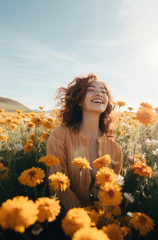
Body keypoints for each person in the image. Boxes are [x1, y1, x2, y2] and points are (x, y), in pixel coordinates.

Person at [46, 73, 123, 211]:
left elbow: (114, 192)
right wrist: (82, 221)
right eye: (92, 90)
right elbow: (57, 183)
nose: (99, 94)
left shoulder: (114, 148)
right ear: (79, 100)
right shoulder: (60, 135)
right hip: (70, 223)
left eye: (103, 92)